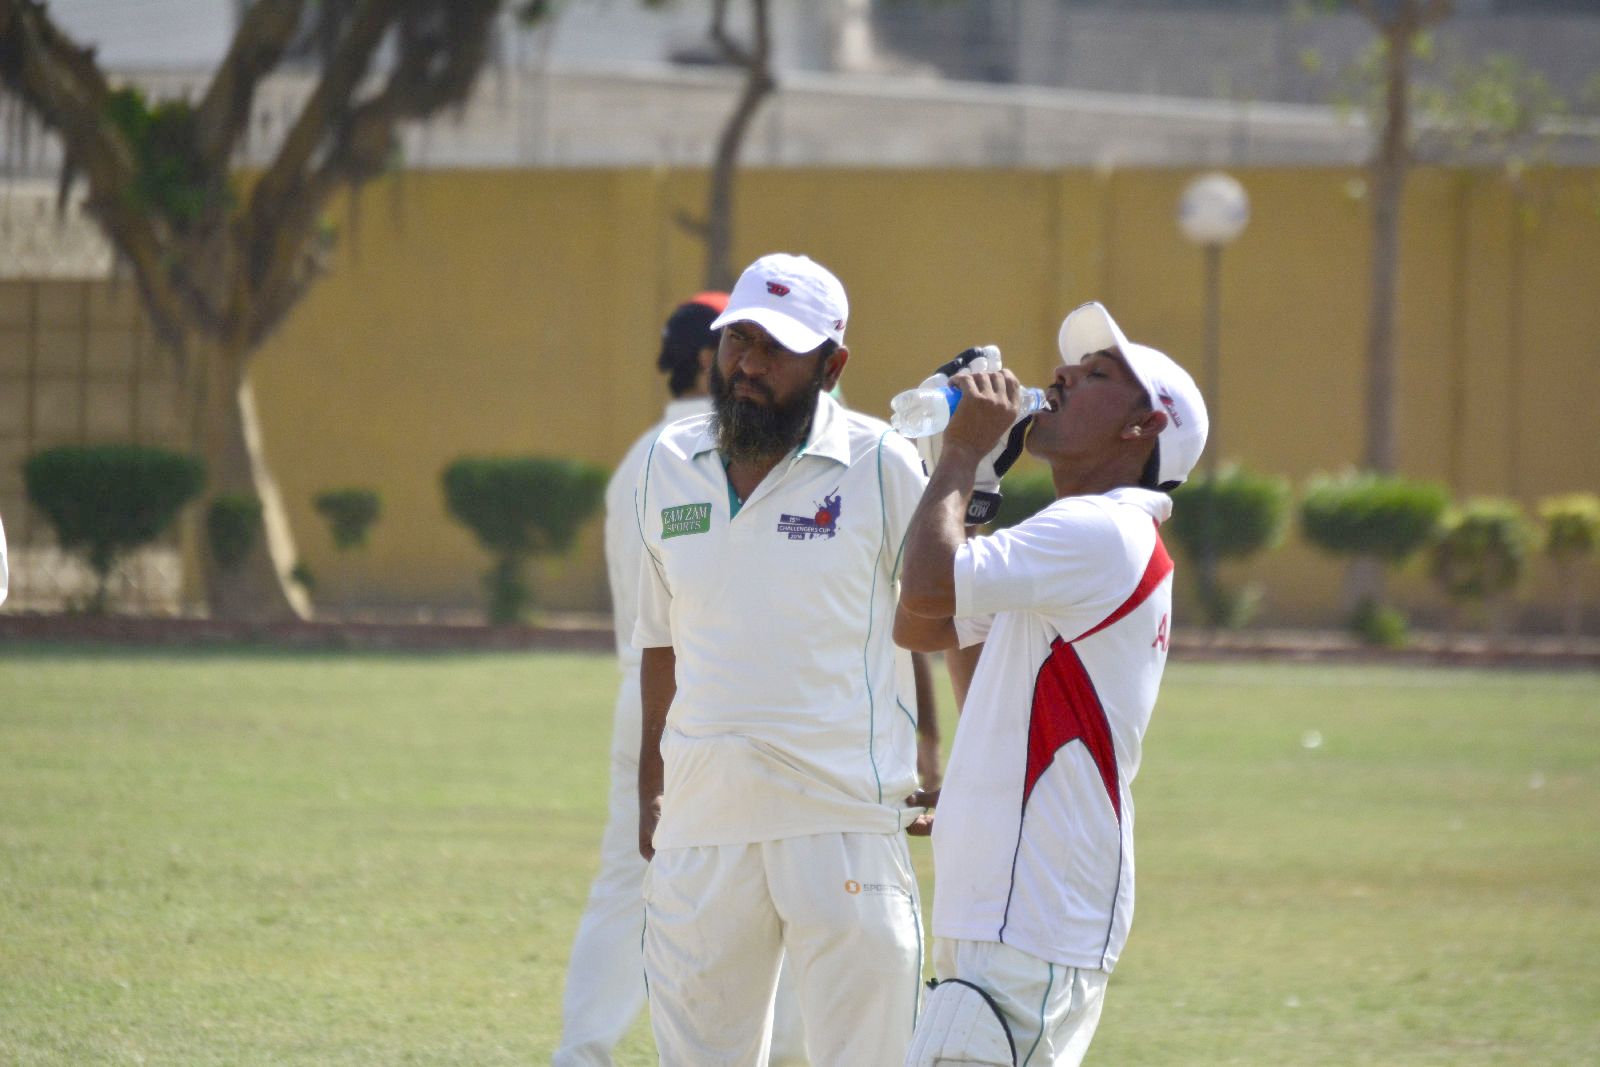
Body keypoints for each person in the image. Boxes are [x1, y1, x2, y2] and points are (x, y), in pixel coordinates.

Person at [633, 252, 930, 1067]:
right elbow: (661, 634)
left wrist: (946, 757)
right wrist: (651, 786)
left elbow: (944, 615)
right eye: (739, 341)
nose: (749, 365)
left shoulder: (881, 462)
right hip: (702, 821)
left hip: (841, 821)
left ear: (832, 366)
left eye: (777, 348)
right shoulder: (667, 462)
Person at [895, 301, 1208, 1067]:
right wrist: (977, 488)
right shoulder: (1081, 539)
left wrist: (961, 452)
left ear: (1142, 427)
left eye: (1097, 374)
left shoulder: (1102, 531)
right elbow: (922, 624)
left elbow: (927, 584)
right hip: (1016, 914)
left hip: (1028, 916)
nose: (1061, 374)